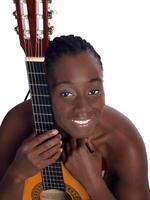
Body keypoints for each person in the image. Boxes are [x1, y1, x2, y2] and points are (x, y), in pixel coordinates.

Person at [0, 35, 149, 200]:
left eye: (93, 91)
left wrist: (93, 183)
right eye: (66, 93)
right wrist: (17, 175)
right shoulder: (16, 124)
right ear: (43, 93)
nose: (83, 108)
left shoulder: (122, 140)